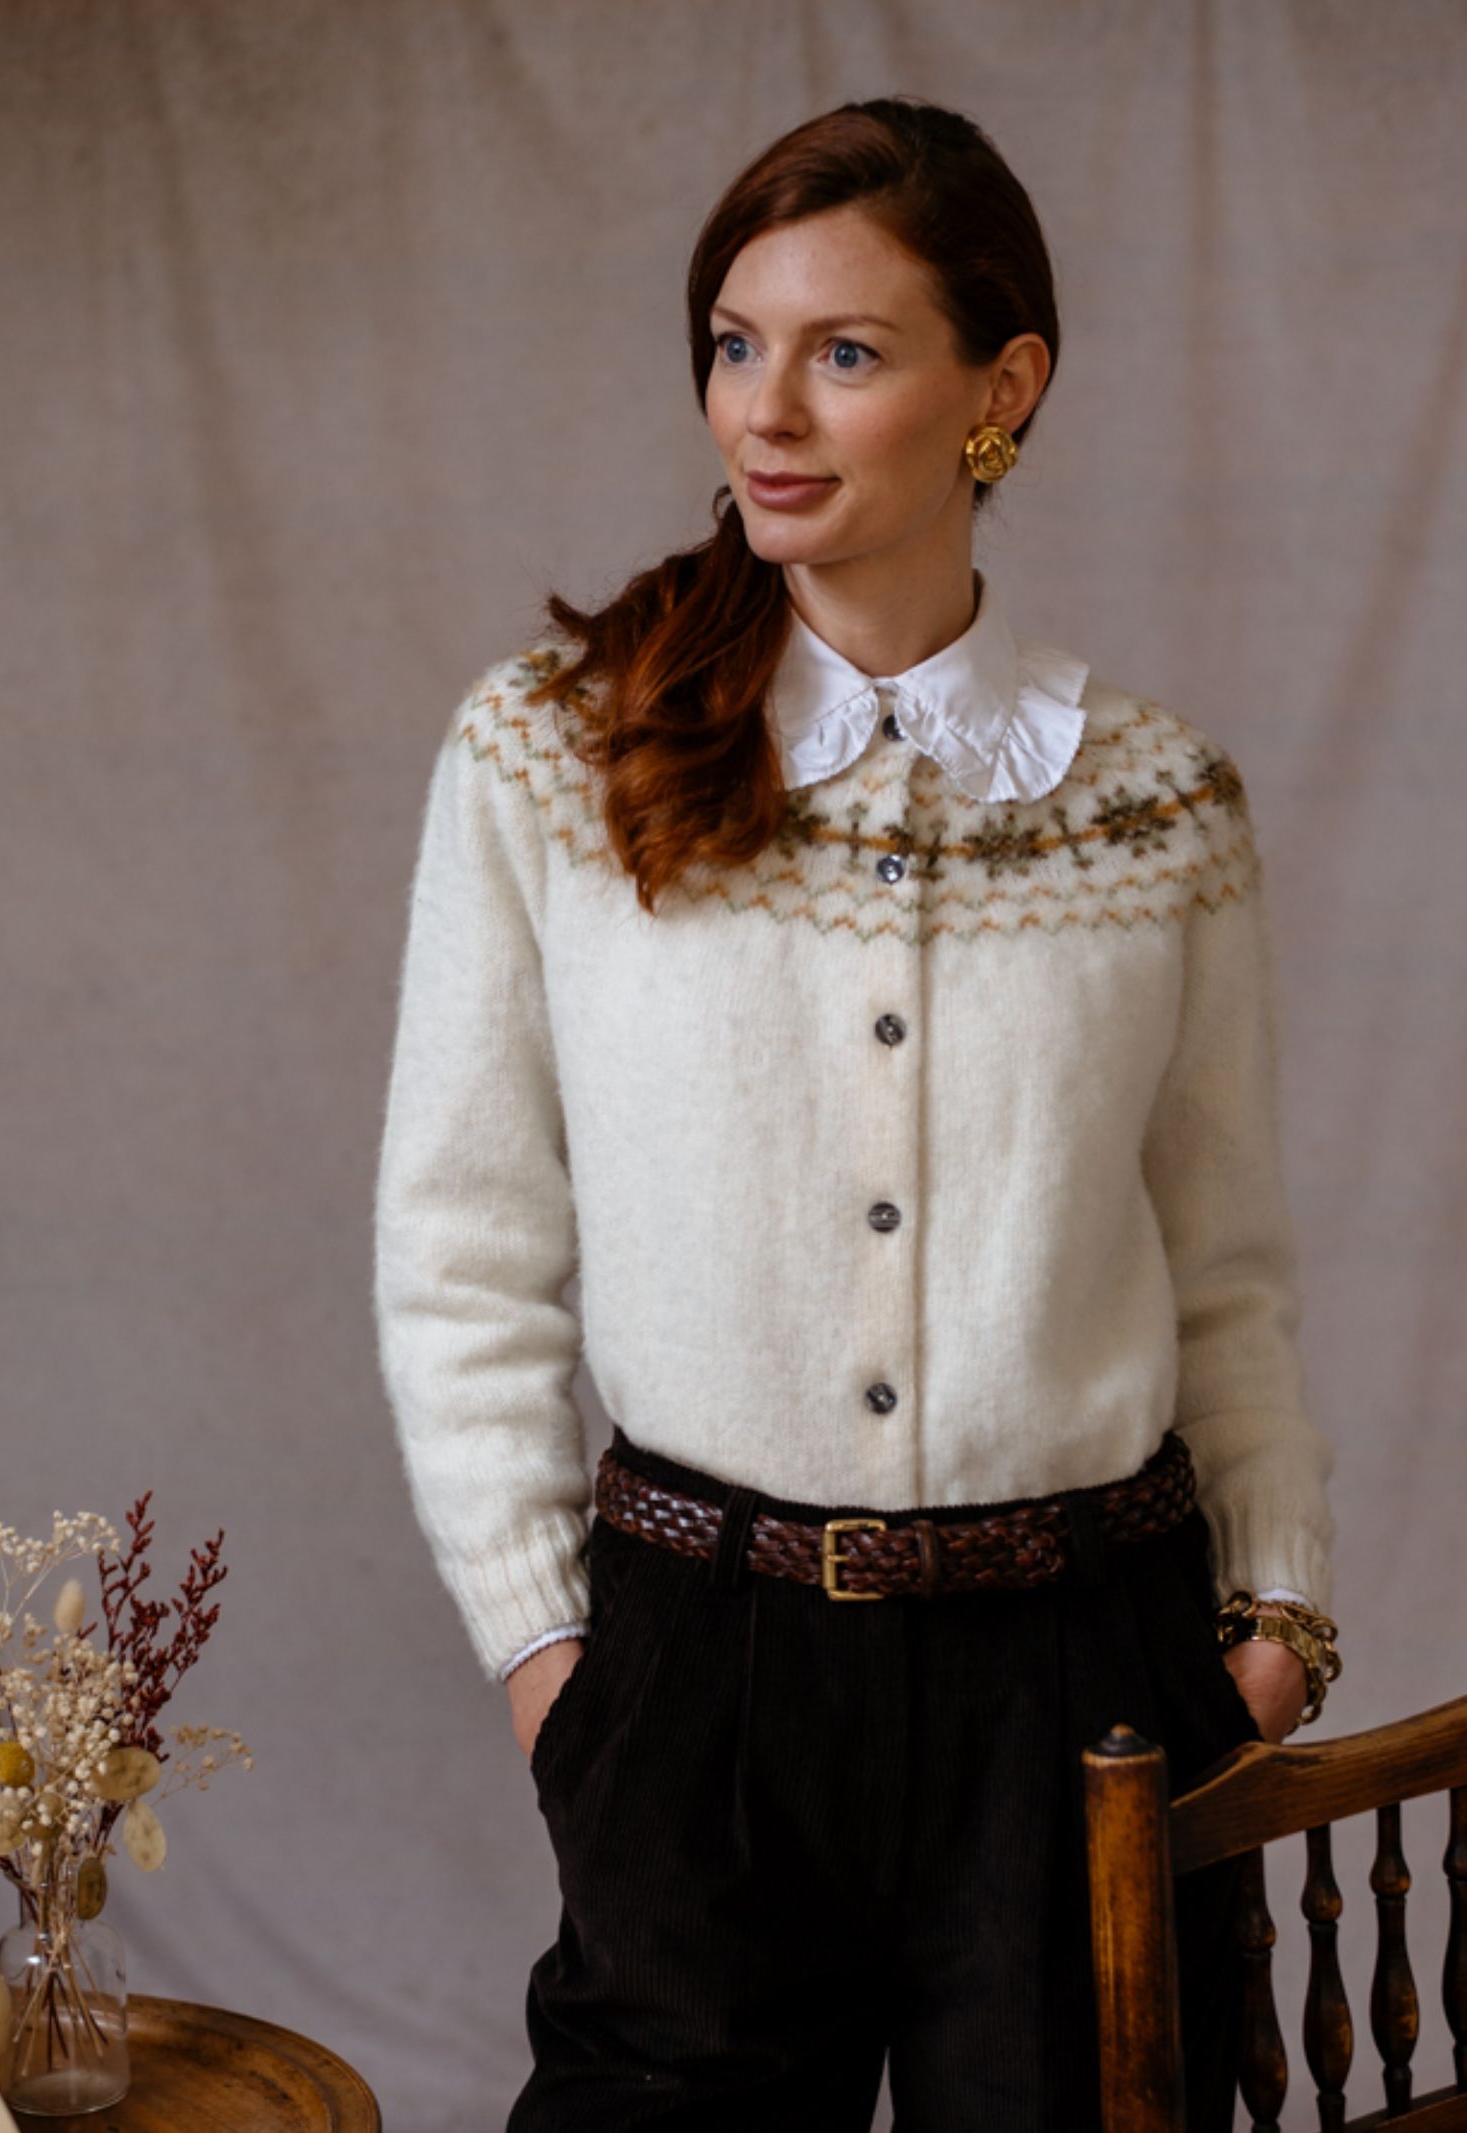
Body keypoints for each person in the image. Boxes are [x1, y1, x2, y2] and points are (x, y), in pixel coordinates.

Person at [371, 94, 1340, 2133]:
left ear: (999, 391)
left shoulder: (1159, 802)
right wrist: (561, 1665)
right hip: (696, 1677)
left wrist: (1273, 1621)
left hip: (1081, 1683)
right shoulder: (553, 756)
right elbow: (461, 1250)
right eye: (733, 342)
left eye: (843, 350)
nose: (764, 412)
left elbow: (1225, 1262)